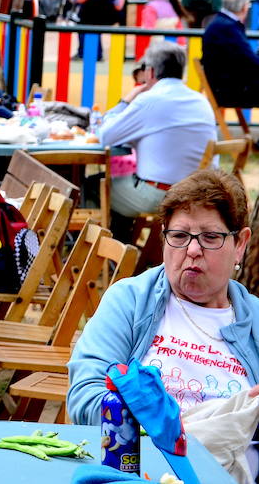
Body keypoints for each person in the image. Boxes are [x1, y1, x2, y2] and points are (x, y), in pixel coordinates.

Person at [67, 168, 259, 425]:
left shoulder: (255, 320)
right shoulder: (129, 301)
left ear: (240, 244)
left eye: (210, 237)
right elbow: (86, 395)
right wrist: (159, 426)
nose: (192, 249)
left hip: (235, 450)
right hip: (142, 447)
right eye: (179, 236)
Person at [98, 42, 216, 240]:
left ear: (150, 71)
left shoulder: (150, 100)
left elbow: (105, 137)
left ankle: (115, 249)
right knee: (120, 187)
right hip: (198, 193)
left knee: (97, 185)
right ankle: (126, 248)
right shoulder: (200, 100)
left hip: (161, 195)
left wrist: (126, 100)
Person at [201, 0, 259, 109]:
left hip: (225, 88)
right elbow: (251, 62)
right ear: (244, 7)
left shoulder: (221, 23)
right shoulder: (228, 28)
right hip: (232, 92)